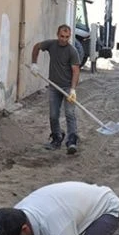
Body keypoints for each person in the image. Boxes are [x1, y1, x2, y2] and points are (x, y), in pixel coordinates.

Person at [30, 25, 81, 154]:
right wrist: (34, 63)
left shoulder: (72, 51)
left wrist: (73, 89)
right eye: (62, 36)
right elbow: (36, 47)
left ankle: (72, 140)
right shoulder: (51, 45)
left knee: (70, 113)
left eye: (67, 37)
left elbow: (76, 71)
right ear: (57, 35)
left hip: (68, 87)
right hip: (53, 86)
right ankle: (57, 137)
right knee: (53, 115)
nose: (64, 39)